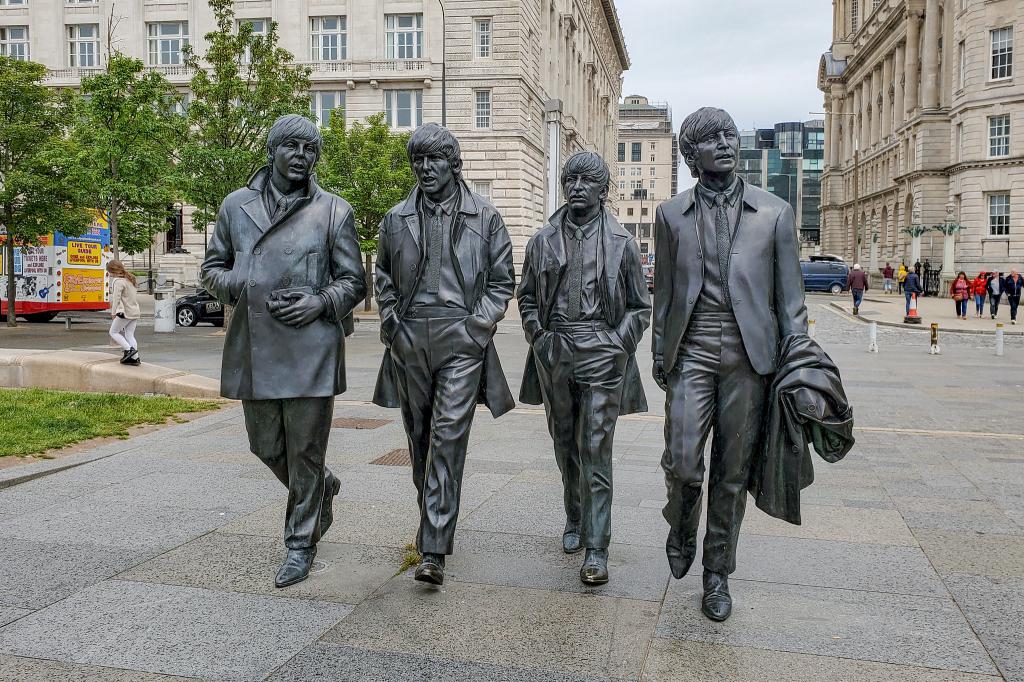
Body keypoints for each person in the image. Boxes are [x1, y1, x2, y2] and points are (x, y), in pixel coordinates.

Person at [652, 107, 807, 622]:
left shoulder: (775, 213)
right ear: (691, 154)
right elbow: (666, 294)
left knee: (732, 473)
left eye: (728, 134)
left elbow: (791, 303)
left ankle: (717, 574)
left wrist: (798, 364)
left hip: (750, 357)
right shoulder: (671, 215)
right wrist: (660, 352)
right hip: (691, 350)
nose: (725, 143)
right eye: (710, 138)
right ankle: (680, 522)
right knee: (682, 460)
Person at [200, 114, 366, 588]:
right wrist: (242, 283)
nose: (301, 157)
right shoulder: (236, 205)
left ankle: (300, 544)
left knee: (306, 451)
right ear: (271, 151)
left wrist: (320, 301)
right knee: (265, 445)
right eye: (292, 147)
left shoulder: (334, 210)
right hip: (256, 346)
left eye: (310, 149)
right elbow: (212, 268)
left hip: (312, 346)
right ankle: (322, 490)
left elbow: (354, 281)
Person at [373, 123, 515, 586]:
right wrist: (392, 323)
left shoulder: (486, 218)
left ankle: (433, 546)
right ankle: (430, 518)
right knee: (420, 440)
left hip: (462, 337)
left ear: (455, 164)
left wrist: (477, 327)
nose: (425, 168)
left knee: (448, 435)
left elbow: (501, 283)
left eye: (435, 159)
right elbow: (383, 277)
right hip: (410, 336)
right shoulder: (396, 218)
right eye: (419, 160)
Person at [518, 151, 651, 586]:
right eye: (570, 179)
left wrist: (618, 344)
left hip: (603, 349)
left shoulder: (622, 244)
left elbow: (639, 306)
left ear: (602, 190)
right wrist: (539, 335)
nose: (576, 186)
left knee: (595, 446)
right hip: (555, 347)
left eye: (586, 181)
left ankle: (597, 545)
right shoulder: (542, 240)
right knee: (564, 443)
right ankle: (574, 516)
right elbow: (526, 297)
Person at [107, 260, 141, 366]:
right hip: (135, 311)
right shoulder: (130, 279)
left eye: (109, 271)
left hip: (125, 312)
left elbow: (116, 298)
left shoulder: (118, 281)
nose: (108, 274)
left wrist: (113, 312)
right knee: (130, 334)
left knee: (113, 332)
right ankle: (135, 358)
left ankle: (128, 350)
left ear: (113, 271)